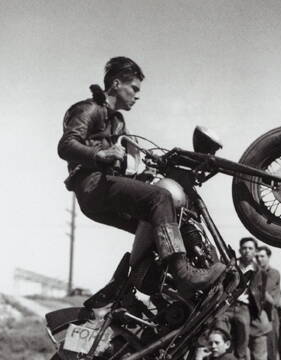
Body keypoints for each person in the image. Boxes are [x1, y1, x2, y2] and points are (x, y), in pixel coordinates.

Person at [58, 56, 225, 295]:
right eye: (134, 88)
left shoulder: (117, 121)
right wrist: (101, 154)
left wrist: (148, 169)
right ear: (116, 84)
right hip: (92, 185)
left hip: (106, 186)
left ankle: (153, 288)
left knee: (163, 220)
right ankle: (184, 275)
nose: (137, 96)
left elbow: (129, 159)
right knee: (160, 198)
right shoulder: (88, 109)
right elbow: (66, 145)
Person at [214, 237, 271, 360]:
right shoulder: (231, 264)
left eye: (250, 248)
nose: (247, 251)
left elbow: (260, 295)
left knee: (241, 353)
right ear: (240, 250)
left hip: (244, 310)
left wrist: (256, 310)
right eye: (244, 248)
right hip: (226, 307)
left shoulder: (259, 271)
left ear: (255, 251)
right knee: (221, 347)